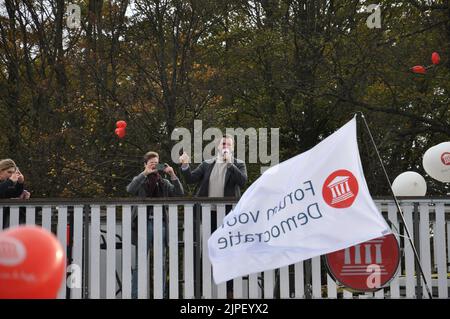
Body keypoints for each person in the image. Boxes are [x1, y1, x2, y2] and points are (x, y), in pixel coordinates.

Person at [179, 135, 247, 298]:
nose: (225, 146)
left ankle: (230, 292)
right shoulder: (207, 164)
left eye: (228, 144)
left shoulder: (238, 163)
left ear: (232, 148)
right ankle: (200, 292)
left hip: (228, 216)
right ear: (217, 146)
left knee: (228, 253)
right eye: (223, 143)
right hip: (207, 214)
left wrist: (229, 163)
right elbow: (190, 179)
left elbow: (243, 181)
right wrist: (185, 165)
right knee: (205, 253)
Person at [126, 151, 184, 298]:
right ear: (145, 165)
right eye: (151, 163)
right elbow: (130, 189)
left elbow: (179, 194)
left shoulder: (163, 182)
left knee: (160, 263)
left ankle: (160, 294)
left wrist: (172, 174)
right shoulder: (141, 180)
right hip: (143, 224)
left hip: (161, 224)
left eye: (156, 163)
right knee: (140, 264)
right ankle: (136, 295)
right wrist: (144, 173)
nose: (153, 166)